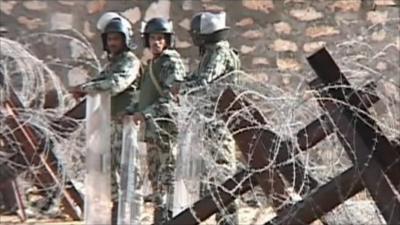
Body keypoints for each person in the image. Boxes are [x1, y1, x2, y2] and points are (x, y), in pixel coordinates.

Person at [70, 12, 141, 224]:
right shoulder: (112, 63)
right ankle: (116, 216)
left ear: (125, 40)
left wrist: (86, 88)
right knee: (111, 175)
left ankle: (129, 218)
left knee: (128, 173)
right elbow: (101, 80)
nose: (112, 43)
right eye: (109, 39)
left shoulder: (129, 61)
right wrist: (87, 88)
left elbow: (115, 84)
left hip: (126, 125)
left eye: (116, 39)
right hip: (110, 125)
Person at [126, 17, 186, 224]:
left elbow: (173, 95)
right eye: (152, 38)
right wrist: (132, 109)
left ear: (167, 40)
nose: (156, 43)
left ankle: (169, 217)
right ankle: (159, 217)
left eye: (160, 38)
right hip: (152, 129)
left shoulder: (171, 62)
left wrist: (146, 113)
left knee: (167, 176)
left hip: (166, 129)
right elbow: (144, 94)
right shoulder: (152, 64)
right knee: (155, 177)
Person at [186, 11, 241, 225]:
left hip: (220, 121)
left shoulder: (218, 52)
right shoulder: (210, 53)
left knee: (222, 175)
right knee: (213, 178)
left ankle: (228, 221)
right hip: (211, 120)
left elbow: (204, 81)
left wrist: (183, 88)